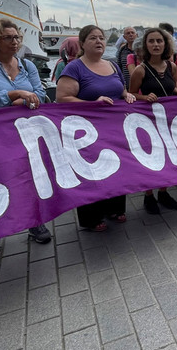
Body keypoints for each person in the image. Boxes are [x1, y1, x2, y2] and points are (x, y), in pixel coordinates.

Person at [0, 19, 52, 255]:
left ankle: (33, 221)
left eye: (17, 37)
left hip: (26, 132)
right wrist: (15, 94)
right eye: (8, 37)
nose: (14, 42)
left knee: (28, 177)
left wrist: (18, 98)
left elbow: (41, 95)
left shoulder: (28, 65)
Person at [56, 25, 136, 230]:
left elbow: (121, 88)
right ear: (82, 43)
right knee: (91, 173)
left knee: (117, 167)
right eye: (93, 38)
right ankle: (91, 217)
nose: (99, 41)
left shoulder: (112, 65)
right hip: (86, 132)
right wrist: (92, 103)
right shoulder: (74, 68)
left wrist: (126, 94)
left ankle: (114, 208)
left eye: (101, 38)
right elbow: (62, 98)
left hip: (114, 129)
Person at [129, 28, 177, 213]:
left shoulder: (172, 66)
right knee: (152, 160)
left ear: (165, 44)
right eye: (151, 41)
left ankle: (163, 191)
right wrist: (144, 98)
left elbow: (173, 86)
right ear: (146, 45)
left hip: (168, 121)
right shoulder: (140, 70)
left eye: (159, 41)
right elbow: (130, 96)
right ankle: (148, 196)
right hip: (149, 121)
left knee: (168, 158)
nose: (156, 45)